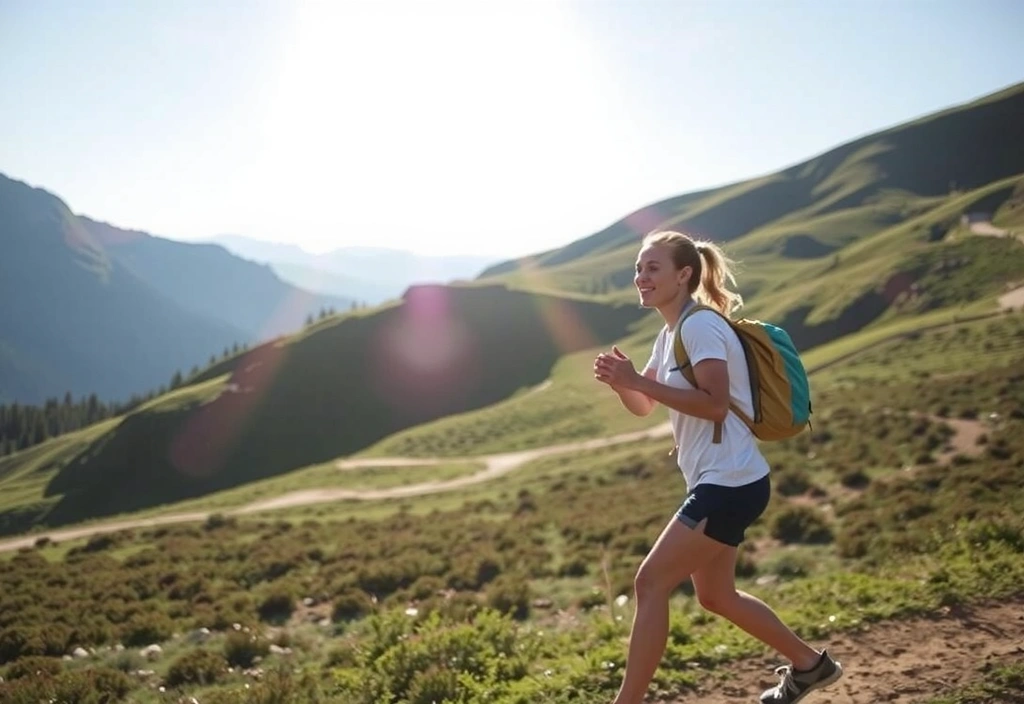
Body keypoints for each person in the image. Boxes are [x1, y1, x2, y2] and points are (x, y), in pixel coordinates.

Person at [592, 230, 843, 704]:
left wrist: (632, 380)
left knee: (650, 582)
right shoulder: (669, 333)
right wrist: (621, 382)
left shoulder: (700, 327)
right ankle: (812, 666)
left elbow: (713, 405)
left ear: (684, 275)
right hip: (725, 481)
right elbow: (644, 405)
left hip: (729, 482)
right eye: (639, 268)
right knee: (716, 597)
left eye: (652, 268)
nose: (640, 277)